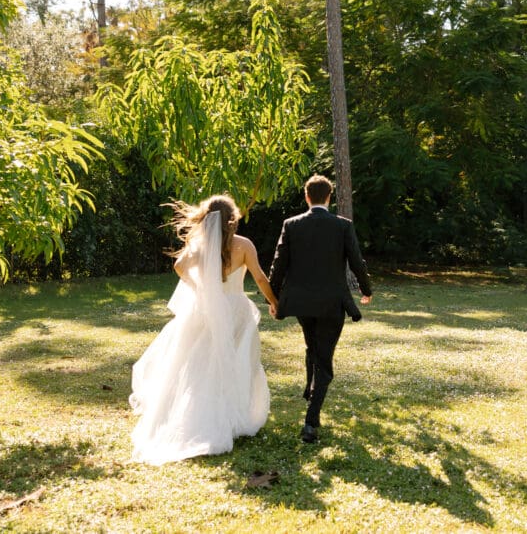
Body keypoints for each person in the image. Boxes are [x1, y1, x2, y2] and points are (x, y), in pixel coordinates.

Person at [129, 195, 277, 465]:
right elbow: (259, 277)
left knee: (199, 362)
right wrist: (275, 302)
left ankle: (199, 413)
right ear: (233, 218)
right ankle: (230, 415)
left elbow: (178, 266)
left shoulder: (200, 245)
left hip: (207, 309)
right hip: (235, 310)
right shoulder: (243, 245)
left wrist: (201, 288)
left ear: (206, 219)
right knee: (236, 360)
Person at [268, 175, 372, 443]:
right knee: (323, 360)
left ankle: (310, 390)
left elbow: (278, 263)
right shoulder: (342, 226)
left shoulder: (291, 225)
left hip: (303, 302)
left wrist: (273, 298)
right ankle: (311, 422)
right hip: (331, 303)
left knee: (312, 348)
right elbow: (356, 261)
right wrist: (366, 289)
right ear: (329, 197)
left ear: (306, 197)